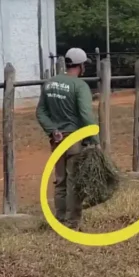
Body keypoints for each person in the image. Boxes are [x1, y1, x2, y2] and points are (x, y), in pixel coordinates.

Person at [36, 48, 100, 228]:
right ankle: (72, 223)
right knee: (74, 182)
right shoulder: (79, 86)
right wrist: (95, 140)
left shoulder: (50, 83)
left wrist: (52, 129)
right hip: (74, 141)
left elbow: (40, 112)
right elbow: (86, 115)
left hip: (56, 140)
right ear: (80, 66)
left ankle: (60, 218)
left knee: (60, 180)